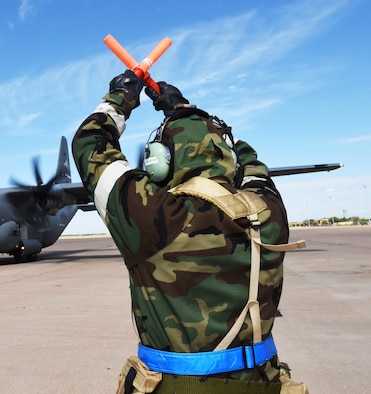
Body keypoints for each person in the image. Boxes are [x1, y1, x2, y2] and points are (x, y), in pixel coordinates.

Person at [71, 70, 309, 393]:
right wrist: (188, 110)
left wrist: (120, 100)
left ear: (160, 163)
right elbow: (252, 164)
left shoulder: (152, 214)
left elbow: (90, 144)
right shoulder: (269, 213)